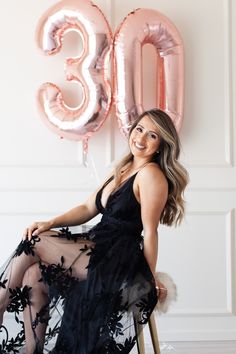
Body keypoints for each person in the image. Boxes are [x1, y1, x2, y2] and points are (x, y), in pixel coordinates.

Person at [0, 109, 188, 354]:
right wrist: (51, 222)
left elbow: (150, 231)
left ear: (161, 144)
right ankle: (32, 351)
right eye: (139, 129)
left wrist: (149, 279)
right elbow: (89, 207)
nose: (141, 139)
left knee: (36, 241)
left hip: (117, 258)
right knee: (33, 274)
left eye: (152, 135)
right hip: (98, 244)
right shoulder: (124, 168)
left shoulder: (151, 175)